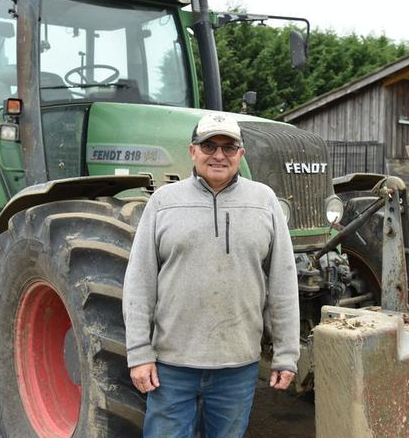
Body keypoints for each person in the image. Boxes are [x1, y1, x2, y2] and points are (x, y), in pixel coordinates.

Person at [123, 112, 300, 438]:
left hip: (237, 366)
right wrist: (138, 354)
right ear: (193, 151)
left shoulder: (264, 201)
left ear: (240, 155)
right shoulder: (163, 202)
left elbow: (283, 282)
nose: (218, 155)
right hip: (171, 366)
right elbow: (139, 282)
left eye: (228, 147)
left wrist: (286, 354)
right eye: (209, 146)